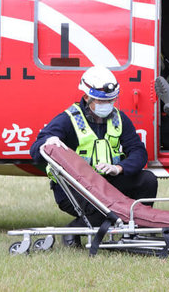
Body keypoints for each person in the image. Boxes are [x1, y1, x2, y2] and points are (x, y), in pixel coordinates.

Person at [30, 66, 158, 240]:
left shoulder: (120, 119)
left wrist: (118, 168)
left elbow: (138, 152)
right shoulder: (68, 120)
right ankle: (72, 233)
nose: (108, 105)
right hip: (74, 188)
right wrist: (47, 143)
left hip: (108, 183)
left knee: (147, 180)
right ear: (86, 97)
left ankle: (137, 230)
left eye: (111, 101)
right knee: (107, 211)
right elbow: (35, 150)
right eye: (102, 101)